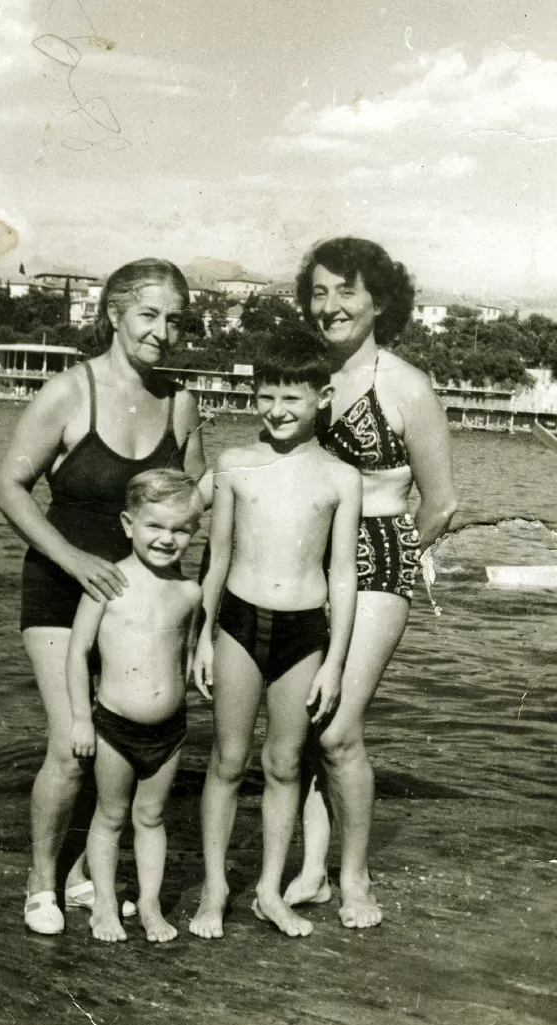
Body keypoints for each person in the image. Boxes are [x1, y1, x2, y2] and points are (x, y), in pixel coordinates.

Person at [0, 259, 206, 935]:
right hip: (61, 587)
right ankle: (40, 882)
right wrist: (76, 559)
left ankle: (91, 872)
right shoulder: (69, 392)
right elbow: (9, 486)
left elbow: (195, 498)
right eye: (149, 314)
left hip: (140, 603)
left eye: (175, 318)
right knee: (70, 742)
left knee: (129, 728)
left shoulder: (180, 403)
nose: (163, 331)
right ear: (113, 314)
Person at [282, 237, 457, 928]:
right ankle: (311, 872)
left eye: (346, 291)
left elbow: (441, 502)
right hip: (303, 552)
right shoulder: (303, 371)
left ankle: (353, 878)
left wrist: (399, 556)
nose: (329, 306)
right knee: (299, 726)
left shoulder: (407, 386)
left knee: (339, 730)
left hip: (380, 551)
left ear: (380, 300)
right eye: (319, 292)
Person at [189, 331, 362, 940]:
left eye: (292, 397)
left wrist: (336, 662)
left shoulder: (342, 478)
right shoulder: (235, 464)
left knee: (286, 763)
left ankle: (267, 890)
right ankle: (214, 889)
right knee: (229, 760)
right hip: (238, 622)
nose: (278, 410)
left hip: (305, 634)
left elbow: (342, 574)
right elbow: (216, 558)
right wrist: (203, 638)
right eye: (266, 396)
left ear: (323, 395)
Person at [68, 470, 203, 943]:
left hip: (170, 731)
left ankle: (148, 903)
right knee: (110, 815)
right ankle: (104, 904)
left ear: (194, 531)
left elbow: (184, 655)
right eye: (155, 526)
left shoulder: (190, 593)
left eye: (180, 529)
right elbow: (77, 650)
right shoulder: (109, 583)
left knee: (151, 817)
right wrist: (82, 719)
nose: (167, 539)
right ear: (129, 524)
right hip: (113, 727)